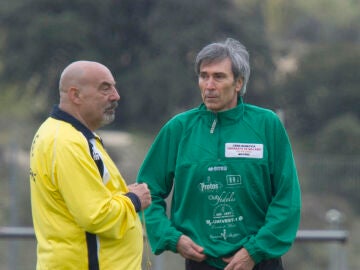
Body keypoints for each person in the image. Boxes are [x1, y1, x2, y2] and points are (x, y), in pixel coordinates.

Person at [136, 38, 301, 270]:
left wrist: (254, 251)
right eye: (204, 76)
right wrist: (172, 238)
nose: (209, 85)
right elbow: (146, 192)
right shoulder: (178, 128)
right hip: (200, 263)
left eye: (219, 76)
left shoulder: (267, 125)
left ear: (238, 82)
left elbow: (287, 198)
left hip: (260, 261)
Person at [29, 60, 151, 269]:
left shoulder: (68, 134)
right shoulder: (67, 142)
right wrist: (134, 200)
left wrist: (122, 195)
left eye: (114, 86)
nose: (116, 95)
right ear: (75, 95)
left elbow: (89, 197)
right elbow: (95, 216)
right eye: (105, 88)